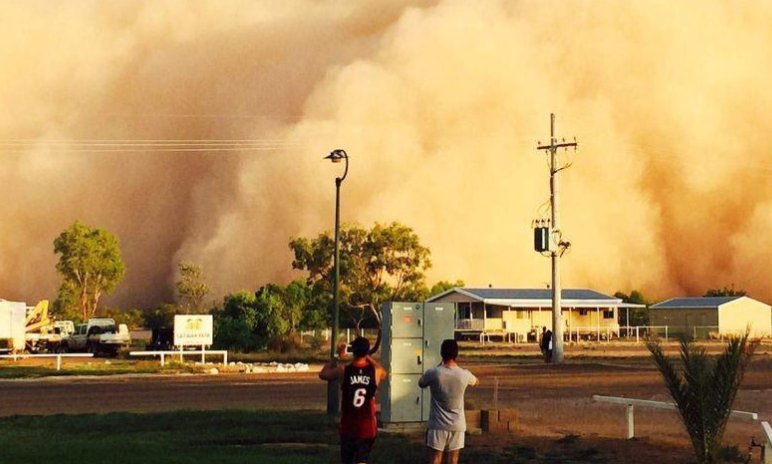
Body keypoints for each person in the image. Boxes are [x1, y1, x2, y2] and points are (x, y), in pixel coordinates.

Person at [319, 337, 388, 464]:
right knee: (362, 459)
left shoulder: (344, 370)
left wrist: (336, 356)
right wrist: (368, 357)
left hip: (348, 425)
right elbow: (384, 372)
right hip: (367, 425)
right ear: (366, 351)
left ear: (354, 352)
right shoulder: (375, 372)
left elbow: (323, 374)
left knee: (347, 459)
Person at [418, 339, 479, 464]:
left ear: (441, 353)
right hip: (457, 424)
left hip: (437, 424)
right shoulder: (464, 374)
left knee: (435, 457)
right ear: (456, 354)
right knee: (453, 459)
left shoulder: (434, 373)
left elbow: (421, 383)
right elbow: (476, 381)